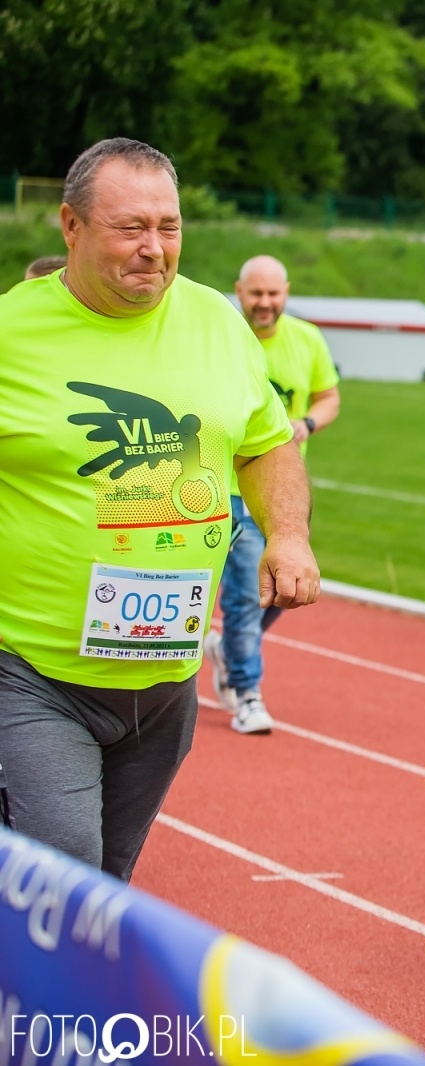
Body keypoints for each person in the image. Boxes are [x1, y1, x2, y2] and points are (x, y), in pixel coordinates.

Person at [0, 138, 317, 880]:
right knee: (64, 874)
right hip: (31, 671)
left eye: (168, 227)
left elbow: (268, 443)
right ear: (70, 227)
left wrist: (289, 537)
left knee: (109, 886)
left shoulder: (216, 323)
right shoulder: (10, 334)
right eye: (130, 227)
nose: (154, 249)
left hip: (163, 680)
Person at [202, 254, 341, 734]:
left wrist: (305, 424)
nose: (265, 303)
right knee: (244, 596)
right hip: (231, 485)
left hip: (286, 490)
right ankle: (247, 693)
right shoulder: (217, 336)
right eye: (256, 294)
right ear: (239, 290)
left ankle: (227, 648)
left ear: (286, 292)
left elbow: (329, 397)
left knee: (283, 590)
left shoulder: (306, 339)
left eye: (273, 294)